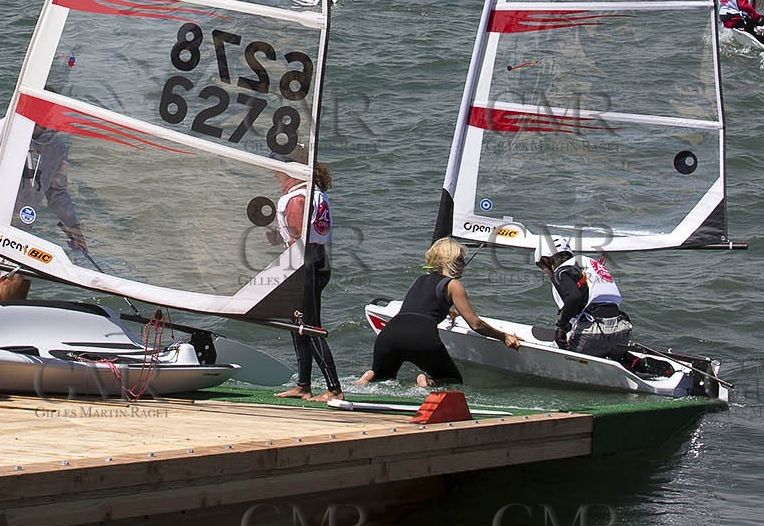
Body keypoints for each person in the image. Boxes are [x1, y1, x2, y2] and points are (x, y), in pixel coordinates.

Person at [0, 116, 85, 303]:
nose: (42, 125)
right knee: (16, 273)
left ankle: (5, 317)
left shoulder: (57, 147)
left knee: (25, 275)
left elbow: (57, 193)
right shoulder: (1, 137)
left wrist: (73, 227)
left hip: (21, 224)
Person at [355, 237, 521, 387]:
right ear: (450, 261)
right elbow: (476, 324)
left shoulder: (420, 279)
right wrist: (503, 336)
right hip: (421, 337)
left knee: (383, 382)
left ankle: (368, 378)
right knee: (452, 379)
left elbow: (422, 307)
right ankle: (427, 382)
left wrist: (447, 310)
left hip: (389, 334)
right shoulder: (453, 285)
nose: (464, 264)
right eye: (460, 259)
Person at [269, 163, 342, 402]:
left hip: (305, 264)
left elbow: (299, 238)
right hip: (317, 259)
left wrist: (289, 261)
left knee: (309, 326)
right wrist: (278, 237)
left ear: (290, 173)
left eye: (277, 169)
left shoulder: (297, 198)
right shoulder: (312, 192)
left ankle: (334, 388)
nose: (273, 173)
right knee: (297, 323)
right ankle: (303, 385)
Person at [534, 238, 633, 359]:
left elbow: (574, 298)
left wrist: (560, 328)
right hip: (622, 329)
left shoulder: (561, 272)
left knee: (554, 354)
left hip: (594, 333)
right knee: (612, 354)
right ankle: (635, 362)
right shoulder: (589, 264)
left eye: (541, 267)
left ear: (545, 260)